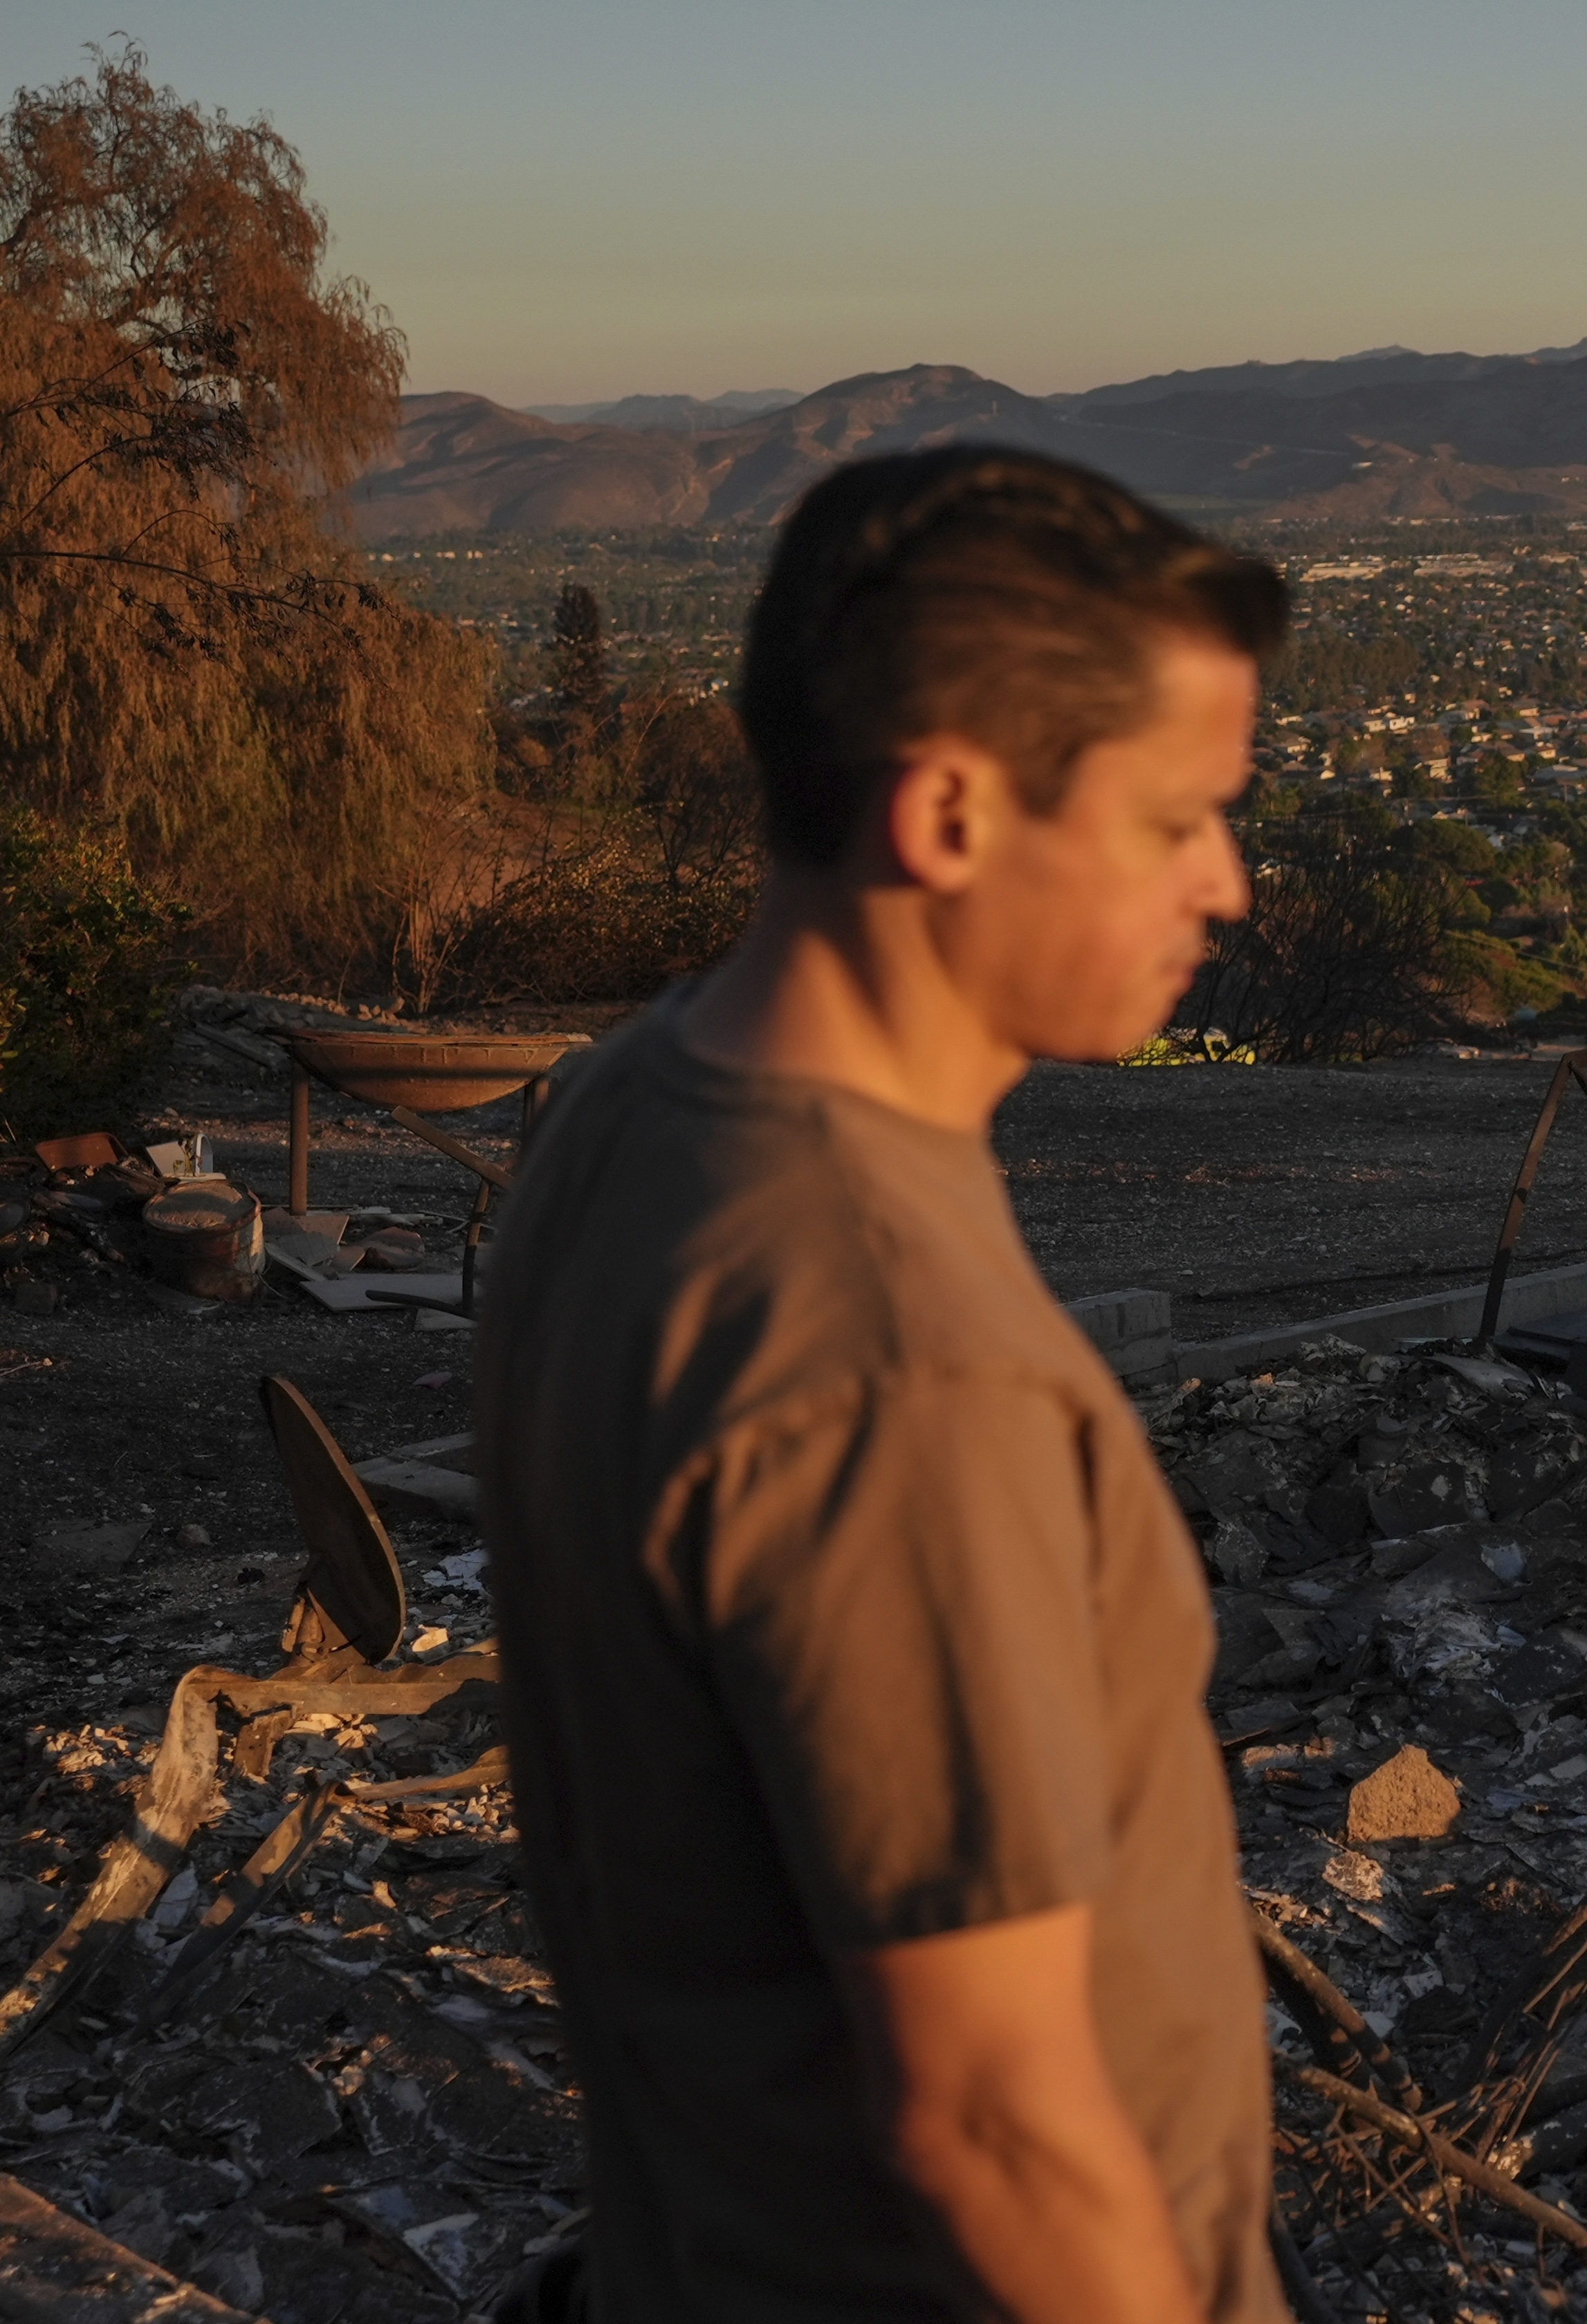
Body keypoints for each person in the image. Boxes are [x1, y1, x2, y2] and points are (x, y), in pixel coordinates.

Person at [477, 448, 1292, 2322]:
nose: (1226, 880)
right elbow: (991, 2116)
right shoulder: (888, 1354)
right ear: (944, 810)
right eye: (1174, 817)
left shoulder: (636, 1103)